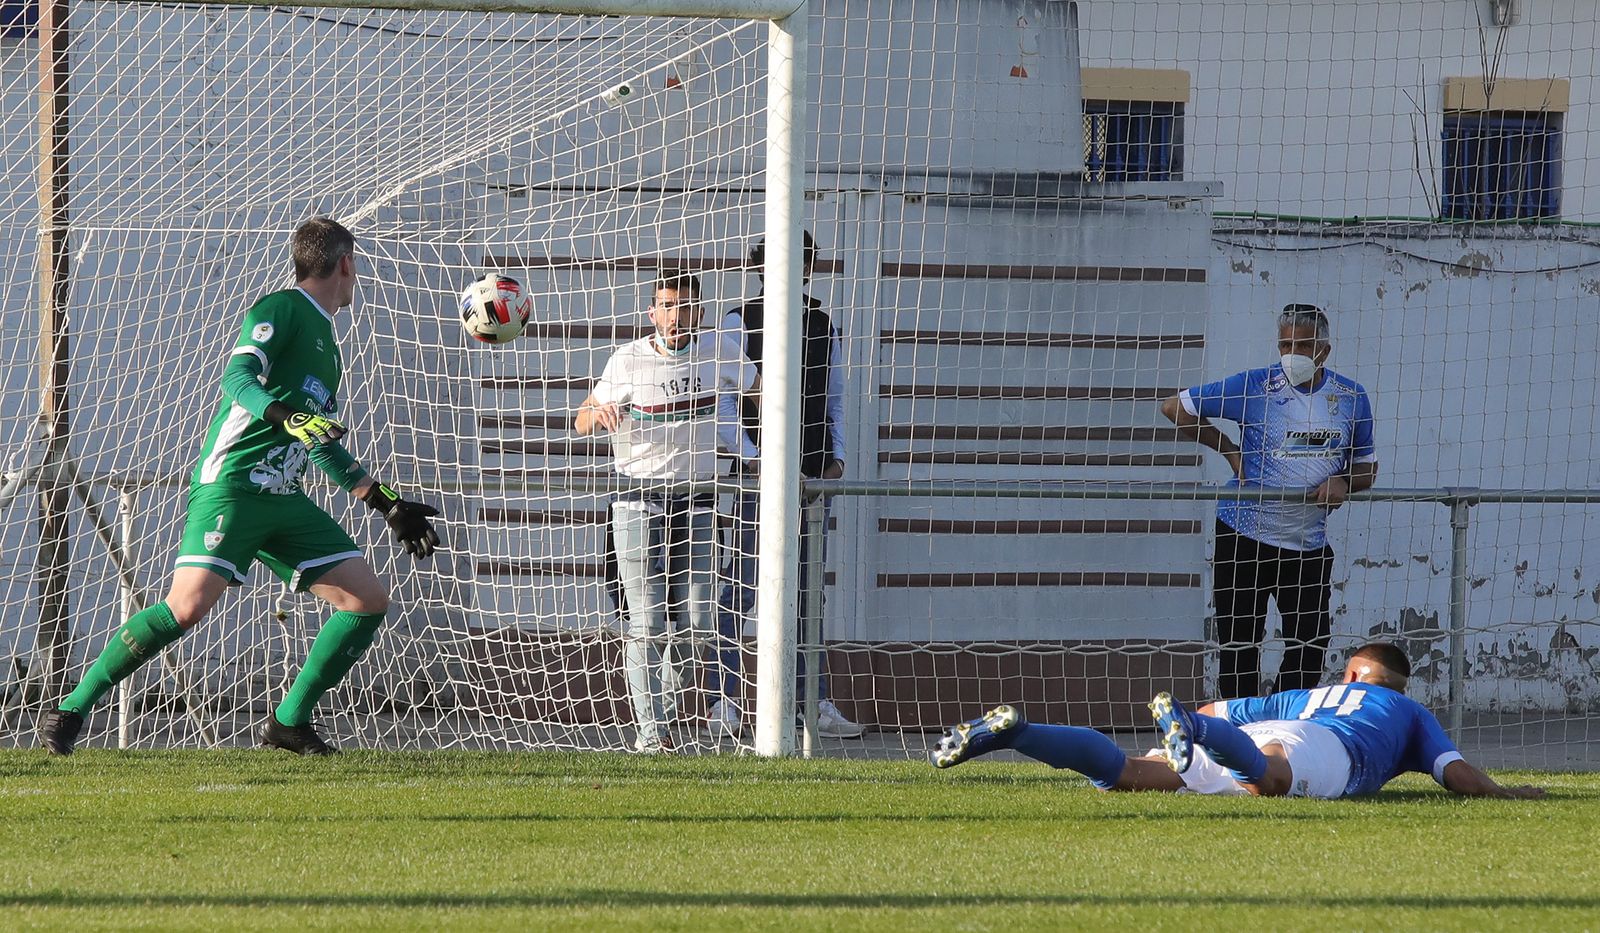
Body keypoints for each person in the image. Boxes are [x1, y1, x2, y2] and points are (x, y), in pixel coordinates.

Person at [39, 217, 441, 757]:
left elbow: (316, 438)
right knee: (185, 609)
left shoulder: (327, 342)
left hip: (282, 497)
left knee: (365, 600)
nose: (356, 277)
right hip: (230, 485)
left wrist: (384, 501)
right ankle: (71, 708)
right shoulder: (279, 309)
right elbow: (237, 380)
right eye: (357, 266)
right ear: (345, 264)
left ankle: (288, 723)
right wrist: (285, 417)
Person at [929, 642, 1543, 800]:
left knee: (1131, 774)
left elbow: (1219, 710)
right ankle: (1194, 742)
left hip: (1241, 734)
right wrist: (1506, 791)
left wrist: (1189, 728)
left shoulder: (1309, 692)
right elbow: (1455, 773)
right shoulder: (1407, 709)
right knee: (1271, 778)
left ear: (1352, 673)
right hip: (1325, 752)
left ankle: (1018, 733)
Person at [576, 272, 760, 754]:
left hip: (698, 498)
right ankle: (651, 736)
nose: (674, 315)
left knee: (700, 622)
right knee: (649, 624)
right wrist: (599, 415)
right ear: (651, 313)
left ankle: (662, 709)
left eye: (684, 306)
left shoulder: (719, 351)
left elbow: (763, 392)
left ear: (699, 313)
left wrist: (764, 446)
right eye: (665, 305)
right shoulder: (627, 360)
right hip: (637, 500)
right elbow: (580, 419)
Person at [1160, 303, 1378, 697]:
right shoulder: (1255, 386)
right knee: (1239, 645)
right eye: (1284, 344)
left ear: (1324, 351)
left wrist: (1345, 480)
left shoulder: (1350, 397)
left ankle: (1281, 723)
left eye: (1302, 345)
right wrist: (1227, 448)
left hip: (1307, 544)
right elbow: (1175, 407)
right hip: (1244, 536)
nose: (1291, 353)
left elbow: (1368, 468)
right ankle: (1241, 737)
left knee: (1311, 643)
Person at [708, 231, 862, 739]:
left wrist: (836, 458)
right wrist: (754, 460)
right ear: (759, 266)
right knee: (744, 587)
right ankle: (723, 701)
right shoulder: (739, 320)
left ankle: (812, 704)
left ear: (810, 266)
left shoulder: (821, 322)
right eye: (776, 260)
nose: (789, 267)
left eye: (800, 259)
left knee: (807, 591)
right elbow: (724, 403)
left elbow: (835, 396)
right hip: (758, 480)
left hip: (812, 478)